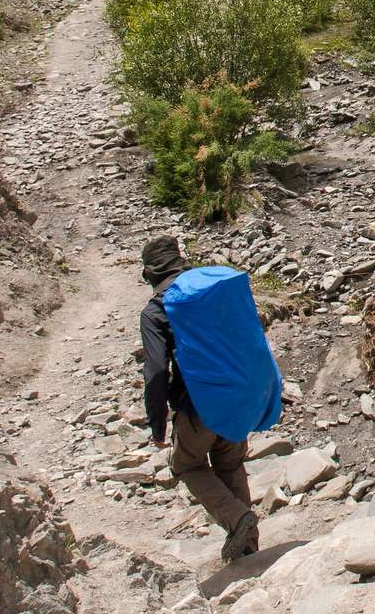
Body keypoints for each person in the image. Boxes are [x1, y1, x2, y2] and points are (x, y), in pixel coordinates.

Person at [139, 235, 259, 563]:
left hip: (199, 404)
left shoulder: (156, 310)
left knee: (186, 465)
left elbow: (155, 371)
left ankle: (237, 520)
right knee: (230, 462)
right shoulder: (212, 289)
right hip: (237, 395)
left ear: (150, 273)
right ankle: (248, 548)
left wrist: (157, 424)